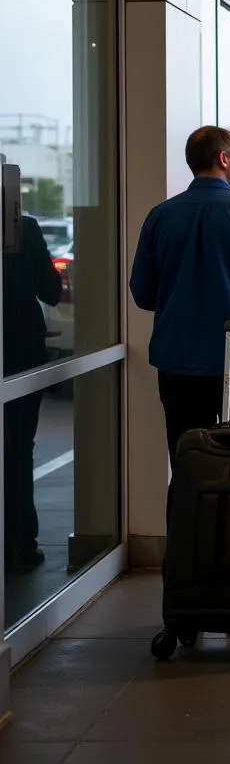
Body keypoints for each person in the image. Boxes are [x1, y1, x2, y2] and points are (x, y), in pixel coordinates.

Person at [129, 126, 230, 462]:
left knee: (188, 462)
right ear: (222, 159)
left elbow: (143, 293)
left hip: (178, 363)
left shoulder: (160, 217)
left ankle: (189, 516)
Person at [3, 208, 62, 572]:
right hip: (21, 350)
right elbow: (52, 292)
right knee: (19, 447)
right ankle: (20, 542)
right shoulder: (25, 227)